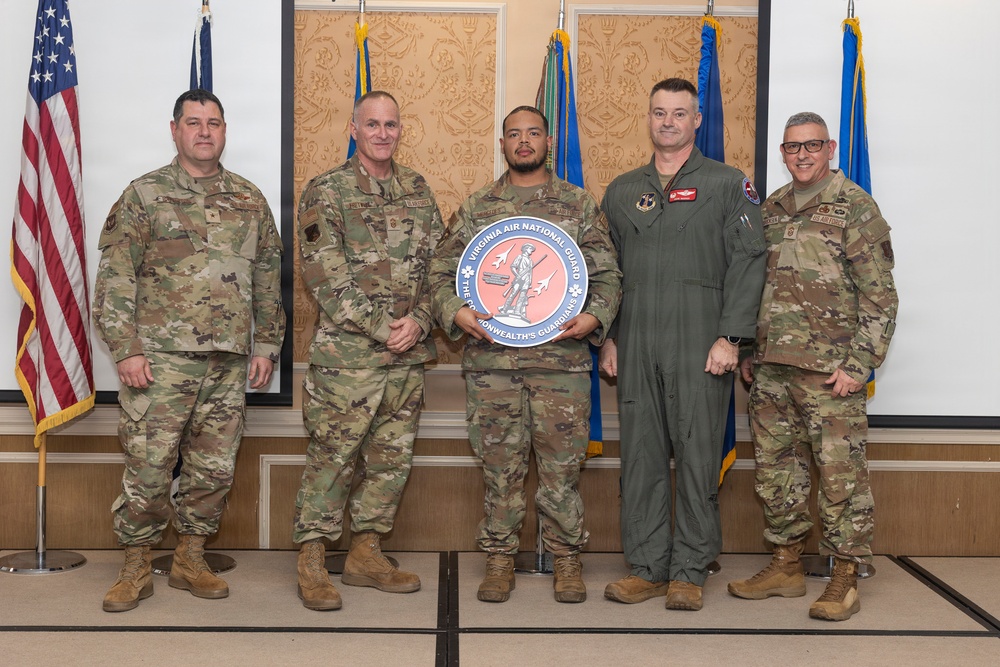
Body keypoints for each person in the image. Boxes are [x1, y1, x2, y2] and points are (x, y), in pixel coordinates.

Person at [94, 89, 286, 612]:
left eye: (215, 123)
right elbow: (114, 278)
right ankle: (135, 565)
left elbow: (269, 276)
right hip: (159, 363)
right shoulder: (144, 195)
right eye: (194, 122)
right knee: (149, 466)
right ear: (174, 129)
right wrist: (126, 349)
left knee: (213, 469)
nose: (205, 131)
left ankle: (190, 557)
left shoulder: (249, 199)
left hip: (226, 363)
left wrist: (266, 343)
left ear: (225, 131)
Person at [430, 105, 621, 604]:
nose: (523, 142)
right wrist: (456, 312)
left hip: (561, 364)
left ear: (548, 141)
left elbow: (607, 274)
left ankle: (566, 559)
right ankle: (499, 558)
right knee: (500, 467)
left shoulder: (577, 205)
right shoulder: (478, 208)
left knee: (562, 468)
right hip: (493, 365)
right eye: (513, 134)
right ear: (503, 144)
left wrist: (595, 316)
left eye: (532, 133)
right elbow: (439, 273)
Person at [599, 78, 766, 611]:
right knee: (642, 457)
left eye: (679, 113)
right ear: (647, 119)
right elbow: (607, 272)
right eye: (658, 112)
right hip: (638, 336)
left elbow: (750, 259)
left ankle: (689, 569)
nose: (668, 121)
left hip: (702, 340)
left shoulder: (726, 183)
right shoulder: (622, 190)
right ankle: (647, 567)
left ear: (697, 120)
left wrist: (732, 337)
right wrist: (610, 337)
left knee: (696, 455)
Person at [727, 112, 897, 621]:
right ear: (783, 152)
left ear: (831, 148)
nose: (801, 155)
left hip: (831, 372)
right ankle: (785, 565)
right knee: (779, 475)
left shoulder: (855, 208)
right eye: (792, 147)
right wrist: (752, 350)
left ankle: (844, 575)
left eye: (812, 146)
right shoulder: (772, 207)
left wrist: (859, 365)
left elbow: (880, 297)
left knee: (840, 476)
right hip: (773, 368)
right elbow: (758, 284)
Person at [292, 90, 445, 611]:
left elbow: (440, 270)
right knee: (332, 460)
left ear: (402, 130)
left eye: (392, 124)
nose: (383, 133)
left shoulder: (419, 192)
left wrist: (421, 322)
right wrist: (387, 329)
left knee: (389, 463)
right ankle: (312, 559)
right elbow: (325, 280)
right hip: (348, 363)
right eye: (372, 124)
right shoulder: (325, 192)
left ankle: (365, 553)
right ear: (353, 129)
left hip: (406, 362)